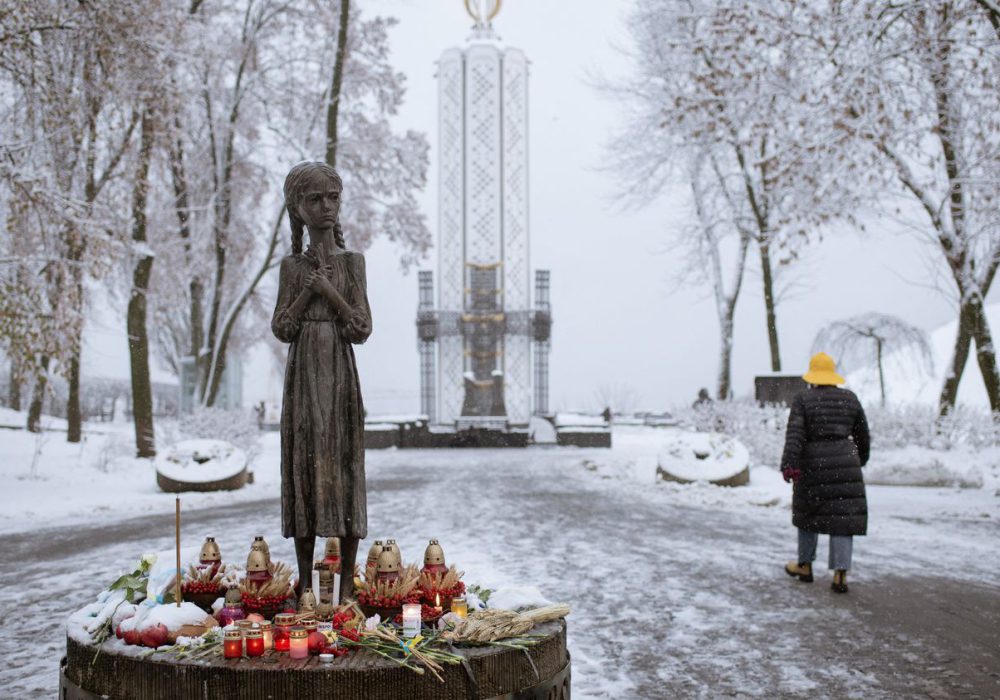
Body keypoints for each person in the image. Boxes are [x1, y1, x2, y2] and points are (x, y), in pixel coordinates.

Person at [271, 161, 372, 602]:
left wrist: (329, 293)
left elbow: (362, 327)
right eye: (315, 199)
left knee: (345, 464)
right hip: (303, 375)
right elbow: (282, 326)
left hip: (339, 371)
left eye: (332, 197)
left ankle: (347, 581)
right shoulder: (291, 267)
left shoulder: (353, 263)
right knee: (304, 461)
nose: (326, 206)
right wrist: (307, 292)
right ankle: (306, 582)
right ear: (297, 207)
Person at [780, 352, 869, 594]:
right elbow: (863, 434)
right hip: (846, 460)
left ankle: (804, 566)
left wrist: (789, 463)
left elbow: (795, 434)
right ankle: (840, 574)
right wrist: (859, 460)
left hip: (813, 462)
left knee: (808, 514)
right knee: (843, 519)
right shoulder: (850, 398)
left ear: (813, 376)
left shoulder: (803, 399)